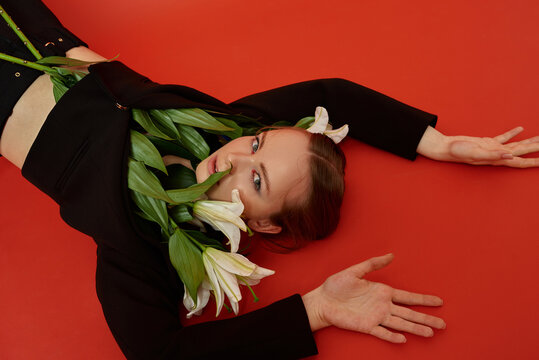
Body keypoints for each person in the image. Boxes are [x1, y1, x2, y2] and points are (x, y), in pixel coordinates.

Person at [1, 1, 538, 359]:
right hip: (32, 27)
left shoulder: (143, 244)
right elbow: (334, 93)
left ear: (262, 224)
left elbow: (156, 353)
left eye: (257, 181)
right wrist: (437, 142)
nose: (235, 158)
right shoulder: (227, 128)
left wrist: (315, 310)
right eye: (256, 145)